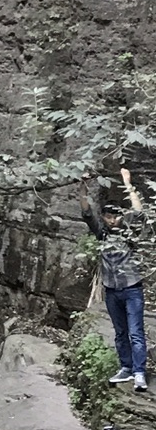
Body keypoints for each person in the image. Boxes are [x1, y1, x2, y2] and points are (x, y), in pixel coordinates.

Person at [82, 168, 149, 391]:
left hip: (132, 288)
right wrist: (82, 187)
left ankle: (140, 373)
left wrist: (127, 183)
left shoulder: (127, 231)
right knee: (120, 333)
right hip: (111, 290)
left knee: (136, 333)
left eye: (115, 216)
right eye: (108, 217)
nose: (112, 221)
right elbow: (87, 213)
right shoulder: (102, 233)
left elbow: (138, 212)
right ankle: (126, 368)